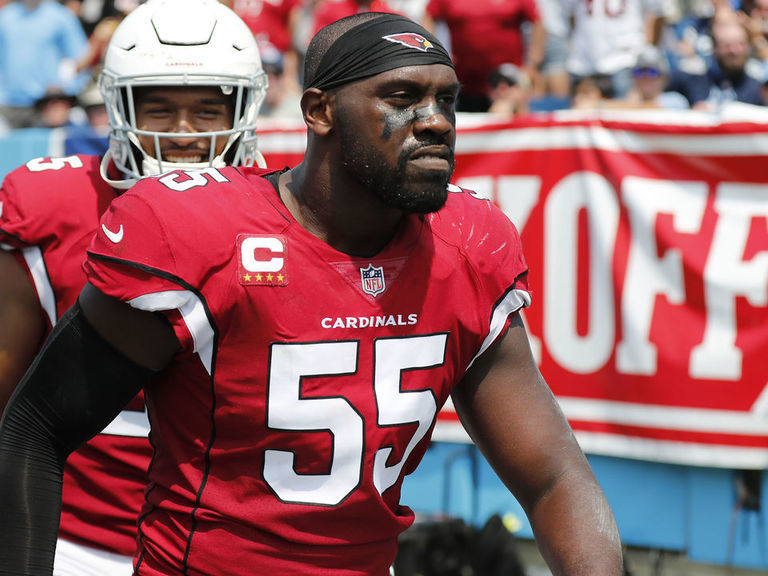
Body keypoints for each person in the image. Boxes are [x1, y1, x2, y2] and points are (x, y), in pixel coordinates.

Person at [0, 11, 623, 576]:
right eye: (402, 97)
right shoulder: (195, 232)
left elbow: (552, 475)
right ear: (319, 111)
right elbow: (31, 425)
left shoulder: (469, 246)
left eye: (447, 100)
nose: (434, 121)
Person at [0, 0, 267, 574]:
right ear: (118, 105)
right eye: (159, 108)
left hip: (233, 544)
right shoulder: (53, 208)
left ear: (246, 108)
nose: (181, 135)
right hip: (76, 543)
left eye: (206, 111)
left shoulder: (285, 212)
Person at [422, 0, 544, 112]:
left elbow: (536, 21)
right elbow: (429, 17)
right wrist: (436, 55)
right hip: (466, 83)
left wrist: (533, 64)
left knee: (505, 116)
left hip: (507, 83)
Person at [0, 0, 89, 129]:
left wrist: (67, 95)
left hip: (48, 106)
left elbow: (82, 59)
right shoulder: (5, 16)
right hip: (9, 106)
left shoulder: (60, 15)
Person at [563, 0, 667, 99]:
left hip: (626, 58)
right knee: (582, 111)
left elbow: (656, 12)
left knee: (624, 112)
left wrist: (647, 47)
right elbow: (570, 15)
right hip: (585, 61)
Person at [667, 11, 766, 108]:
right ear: (714, 48)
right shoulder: (696, 80)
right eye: (727, 45)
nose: (734, 51)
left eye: (740, 44)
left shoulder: (759, 88)